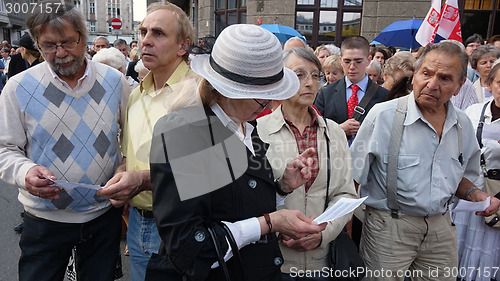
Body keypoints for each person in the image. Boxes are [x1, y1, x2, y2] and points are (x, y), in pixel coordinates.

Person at [147, 23, 326, 281]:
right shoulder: (185, 132)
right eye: (261, 97)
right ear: (225, 89)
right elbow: (188, 245)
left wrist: (281, 188)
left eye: (274, 94)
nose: (271, 104)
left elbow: (236, 203)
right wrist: (270, 223)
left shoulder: (246, 125)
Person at [0, 1, 130, 280]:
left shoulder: (114, 82)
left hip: (103, 217)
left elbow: (131, 137)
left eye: (69, 42)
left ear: (84, 37)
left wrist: (125, 166)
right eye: (48, 45)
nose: (60, 53)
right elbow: (4, 149)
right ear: (36, 42)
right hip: (45, 223)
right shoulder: (18, 87)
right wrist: (25, 172)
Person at [350, 41, 500, 281]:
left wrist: (477, 195)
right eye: (426, 74)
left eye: (444, 78)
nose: (432, 85)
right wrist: (344, 233)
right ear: (414, 76)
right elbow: (352, 178)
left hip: (441, 227)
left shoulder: (462, 124)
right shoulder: (385, 116)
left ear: (460, 85)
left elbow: (458, 175)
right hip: (390, 227)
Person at [96, 3, 195, 281]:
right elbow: (129, 157)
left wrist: (142, 180)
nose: (146, 40)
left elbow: (207, 172)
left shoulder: (200, 94)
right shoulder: (136, 94)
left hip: (179, 224)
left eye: (159, 33)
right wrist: (121, 178)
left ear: (182, 46)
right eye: (143, 31)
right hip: (138, 222)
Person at [257, 47, 358, 281]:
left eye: (315, 75)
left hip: (321, 261)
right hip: (272, 260)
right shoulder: (258, 132)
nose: (310, 83)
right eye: (299, 75)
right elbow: (249, 196)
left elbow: (345, 194)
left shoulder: (333, 132)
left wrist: (322, 234)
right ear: (281, 79)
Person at [454, 59, 500, 281]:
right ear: (489, 84)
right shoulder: (472, 112)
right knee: (462, 250)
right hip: (470, 193)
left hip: (498, 196)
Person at [314, 35, 388, 139]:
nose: (352, 67)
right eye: (347, 61)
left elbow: (387, 132)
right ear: (340, 60)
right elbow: (314, 129)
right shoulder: (325, 93)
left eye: (358, 61)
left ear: (368, 60)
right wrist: (339, 129)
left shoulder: (383, 95)